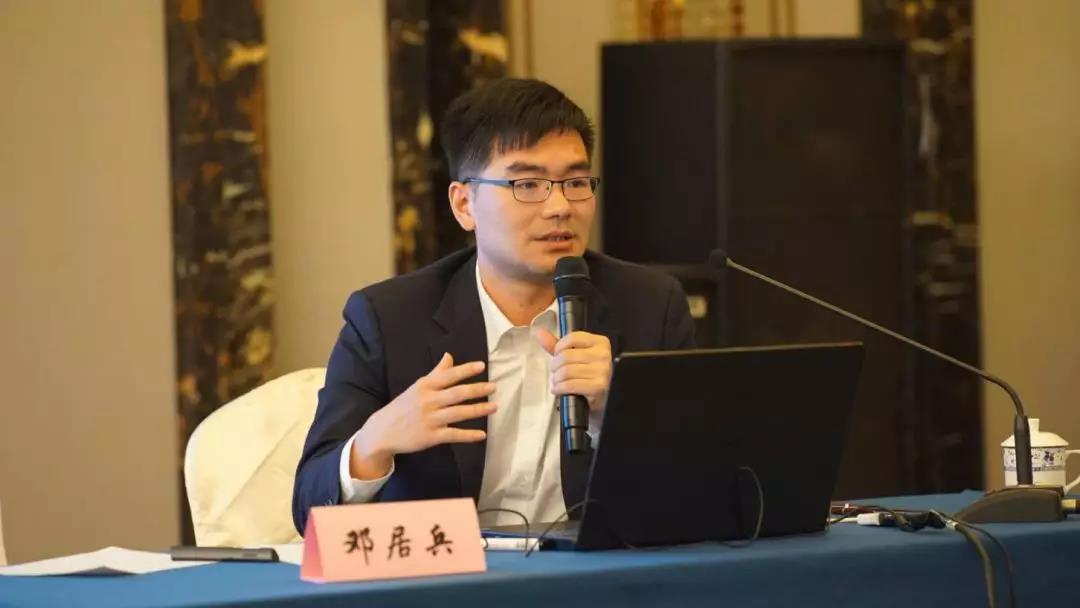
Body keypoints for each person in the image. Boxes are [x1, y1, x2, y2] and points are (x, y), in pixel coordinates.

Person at [292, 78, 694, 533]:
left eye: (576, 182)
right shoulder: (388, 319)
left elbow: (699, 491)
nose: (560, 206)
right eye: (528, 184)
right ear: (464, 204)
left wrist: (615, 413)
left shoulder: (651, 307)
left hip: (594, 571)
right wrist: (375, 442)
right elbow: (309, 504)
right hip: (449, 571)